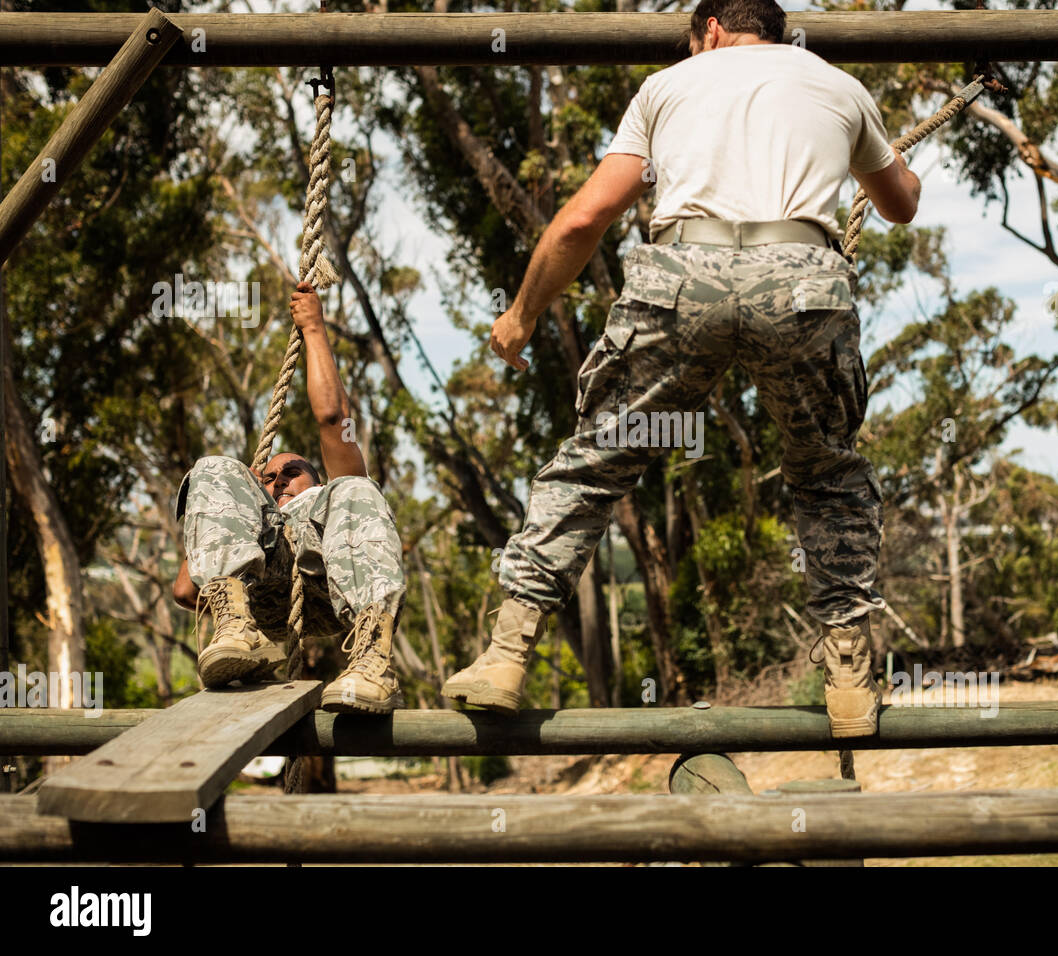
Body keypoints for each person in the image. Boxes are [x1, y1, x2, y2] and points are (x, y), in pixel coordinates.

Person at [443, 0, 921, 737]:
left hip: (681, 277)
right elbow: (900, 205)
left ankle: (506, 657)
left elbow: (580, 220)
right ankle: (851, 682)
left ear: (714, 31)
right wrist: (880, 156)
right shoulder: (837, 83)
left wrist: (522, 315)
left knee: (594, 465)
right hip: (801, 279)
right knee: (827, 474)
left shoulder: (667, 87)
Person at [172, 282, 406, 714]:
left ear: (315, 481)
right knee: (212, 466)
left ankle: (372, 660)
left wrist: (314, 328)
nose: (278, 479)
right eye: (269, 476)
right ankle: (238, 634)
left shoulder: (331, 497)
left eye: (292, 471)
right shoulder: (259, 519)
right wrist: (230, 499)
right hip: (264, 591)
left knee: (357, 488)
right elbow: (186, 590)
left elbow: (335, 419)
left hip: (331, 583)